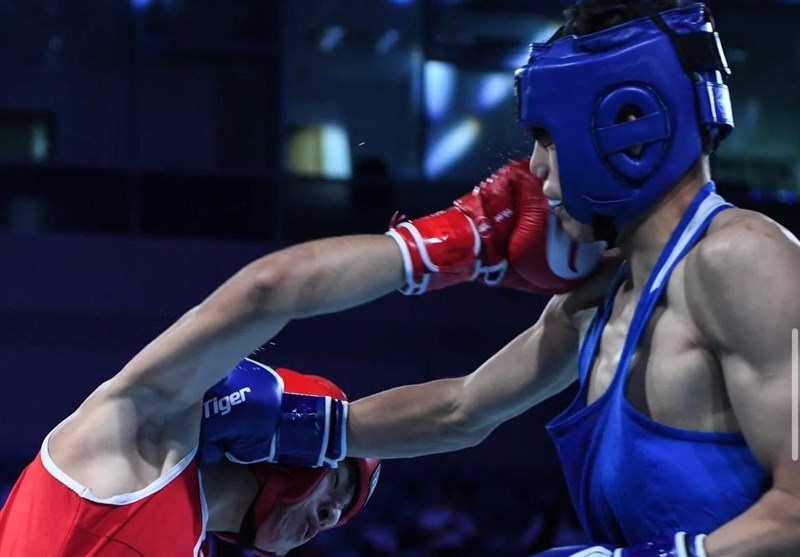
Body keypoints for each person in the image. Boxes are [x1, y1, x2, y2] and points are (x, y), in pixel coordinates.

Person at [344, 1, 800, 556]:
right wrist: (298, 429)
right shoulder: (603, 292)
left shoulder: (745, 260)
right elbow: (460, 409)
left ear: (631, 123)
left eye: (548, 137)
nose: (536, 166)